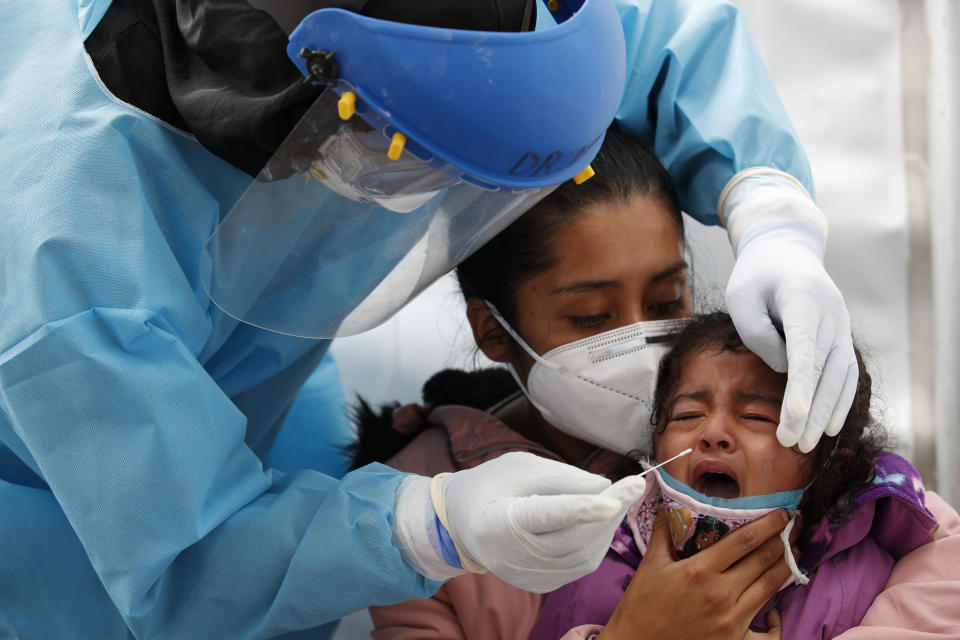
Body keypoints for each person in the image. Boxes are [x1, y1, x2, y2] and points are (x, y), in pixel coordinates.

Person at [0, 0, 864, 637]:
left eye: (670, 300)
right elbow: (193, 560)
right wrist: (426, 524)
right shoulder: (73, 265)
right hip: (77, 510)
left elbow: (638, 35)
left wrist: (770, 207)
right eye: (589, 311)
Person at [528, 312, 958, 640]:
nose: (712, 434)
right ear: (652, 448)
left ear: (831, 469)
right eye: (687, 414)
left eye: (755, 416)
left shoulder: (875, 575)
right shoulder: (590, 576)